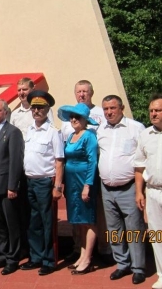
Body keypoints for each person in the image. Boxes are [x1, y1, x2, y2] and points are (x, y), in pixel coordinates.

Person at [61, 80, 111, 264]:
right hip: (72, 178)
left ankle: (100, 251)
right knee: (77, 216)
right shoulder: (70, 127)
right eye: (79, 91)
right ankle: (79, 251)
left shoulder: (98, 119)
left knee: (92, 216)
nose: (82, 94)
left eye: (85, 91)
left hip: (87, 177)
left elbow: (93, 157)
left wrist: (88, 184)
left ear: (91, 92)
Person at [97, 95, 146, 284]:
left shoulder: (136, 128)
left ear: (122, 108)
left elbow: (143, 158)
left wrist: (141, 190)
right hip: (107, 188)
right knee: (114, 229)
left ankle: (139, 268)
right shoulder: (101, 129)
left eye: (112, 108)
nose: (109, 112)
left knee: (134, 229)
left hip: (129, 187)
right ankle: (122, 264)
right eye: (106, 109)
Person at [20, 91, 64, 276]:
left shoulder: (54, 132)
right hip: (29, 181)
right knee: (33, 222)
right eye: (34, 107)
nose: (37, 111)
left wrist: (58, 186)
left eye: (41, 108)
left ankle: (48, 260)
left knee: (47, 223)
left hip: (45, 183)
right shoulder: (29, 130)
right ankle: (36, 257)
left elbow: (59, 161)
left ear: (47, 109)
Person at [58, 103, 98, 275]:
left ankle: (88, 258)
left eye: (78, 117)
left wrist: (87, 185)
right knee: (79, 221)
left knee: (88, 220)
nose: (74, 119)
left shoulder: (89, 136)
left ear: (85, 120)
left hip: (83, 181)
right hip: (72, 182)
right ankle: (81, 255)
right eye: (72, 117)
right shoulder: (72, 135)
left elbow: (93, 162)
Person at [0, 99, 24, 275]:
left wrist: (13, 186)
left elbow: (15, 160)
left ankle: (12, 258)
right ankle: (1, 254)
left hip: (7, 186)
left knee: (11, 224)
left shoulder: (13, 132)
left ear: (5, 113)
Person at [134, 93, 162, 289]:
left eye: (158, 110)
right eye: (151, 110)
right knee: (156, 235)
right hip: (153, 191)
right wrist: (139, 192)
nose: (153, 114)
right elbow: (139, 166)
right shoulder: (144, 135)